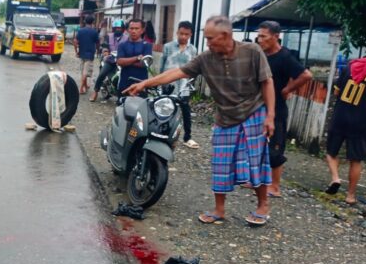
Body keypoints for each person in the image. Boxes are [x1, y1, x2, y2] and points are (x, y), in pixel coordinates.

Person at [124, 15, 276, 227]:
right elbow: (178, 72)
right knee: (220, 164)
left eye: (211, 38)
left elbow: (267, 82)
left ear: (225, 36)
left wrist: (270, 116)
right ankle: (219, 209)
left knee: (256, 161)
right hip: (225, 116)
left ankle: (262, 205)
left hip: (254, 112)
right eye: (206, 38)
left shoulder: (252, 51)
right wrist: (145, 84)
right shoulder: (206, 58)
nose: (208, 43)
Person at [256, 20, 313, 197]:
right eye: (259, 36)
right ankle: (257, 180)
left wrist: (288, 89)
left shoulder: (285, 57)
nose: (259, 40)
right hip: (258, 107)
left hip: (277, 110)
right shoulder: (261, 54)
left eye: (263, 37)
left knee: (275, 148)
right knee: (257, 146)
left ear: (276, 37)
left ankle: (275, 186)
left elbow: (306, 75)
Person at [324, 43, 366, 205]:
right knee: (356, 159)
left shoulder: (351, 66)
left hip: (340, 117)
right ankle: (350, 195)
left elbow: (336, 91)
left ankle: (335, 178)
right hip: (360, 121)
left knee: (331, 152)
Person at [160, 21, 199, 148]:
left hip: (184, 86)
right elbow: (162, 66)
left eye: (186, 34)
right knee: (165, 110)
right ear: (177, 32)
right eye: (181, 33)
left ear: (190, 35)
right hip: (168, 84)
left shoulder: (193, 50)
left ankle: (187, 137)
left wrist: (191, 83)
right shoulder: (167, 47)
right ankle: (163, 135)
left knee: (186, 111)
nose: (183, 36)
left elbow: (194, 69)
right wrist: (160, 81)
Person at [115, 19, 152, 99]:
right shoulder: (122, 45)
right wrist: (137, 58)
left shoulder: (147, 45)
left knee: (140, 109)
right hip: (124, 82)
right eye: (131, 28)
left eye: (136, 28)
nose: (133, 31)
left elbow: (145, 64)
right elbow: (119, 62)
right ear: (128, 30)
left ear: (142, 30)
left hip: (141, 83)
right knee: (122, 107)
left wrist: (127, 61)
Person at [74, 15, 100, 94]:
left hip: (82, 53)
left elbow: (75, 42)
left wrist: (76, 51)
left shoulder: (80, 31)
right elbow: (97, 43)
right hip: (90, 55)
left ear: (85, 21)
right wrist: (98, 51)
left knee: (83, 71)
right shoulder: (94, 32)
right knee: (85, 73)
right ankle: (81, 88)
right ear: (93, 22)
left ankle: (85, 85)